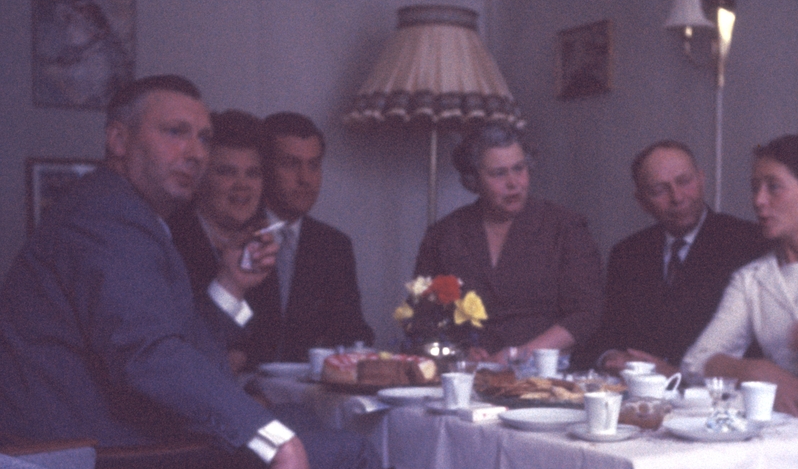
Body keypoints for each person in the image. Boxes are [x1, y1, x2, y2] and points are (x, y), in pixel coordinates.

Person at [0, 75, 539, 469]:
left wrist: (230, 284)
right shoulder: (109, 220)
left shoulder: (121, 215)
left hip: (103, 449)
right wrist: (273, 440)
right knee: (347, 453)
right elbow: (146, 356)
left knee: (298, 425)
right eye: (175, 132)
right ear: (118, 139)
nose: (195, 151)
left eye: (202, 136)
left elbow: (174, 350)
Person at [681, 134, 798, 417]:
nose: (759, 201)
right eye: (755, 188)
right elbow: (695, 363)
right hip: (783, 423)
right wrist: (754, 370)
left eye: (773, 188)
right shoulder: (751, 279)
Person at [413, 122, 604, 363]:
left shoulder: (565, 227)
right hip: (467, 370)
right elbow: (422, 317)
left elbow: (586, 315)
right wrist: (457, 352)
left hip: (545, 370)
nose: (514, 183)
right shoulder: (444, 234)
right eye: (499, 173)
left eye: (519, 169)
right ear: (473, 179)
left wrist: (519, 355)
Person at [573, 140, 767, 375]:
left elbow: (758, 352)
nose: (677, 197)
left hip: (713, 397)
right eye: (659, 190)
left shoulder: (750, 244)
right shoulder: (627, 253)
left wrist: (674, 373)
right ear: (641, 201)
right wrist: (609, 357)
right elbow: (604, 334)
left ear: (702, 179)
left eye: (685, 182)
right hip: (638, 398)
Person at [240, 112, 374, 366]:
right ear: (264, 168)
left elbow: (353, 332)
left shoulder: (334, 246)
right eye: (290, 164)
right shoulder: (238, 230)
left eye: (313, 165)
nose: (305, 179)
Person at [167, 109, 267, 373]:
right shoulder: (170, 239)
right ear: (200, 177)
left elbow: (265, 340)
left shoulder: (262, 242)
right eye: (226, 172)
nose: (242, 185)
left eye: (253, 173)